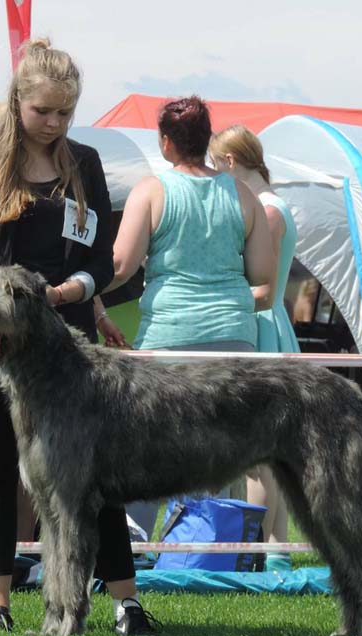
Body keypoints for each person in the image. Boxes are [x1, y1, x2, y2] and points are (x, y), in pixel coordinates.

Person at [0, 39, 156, 636]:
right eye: (42, 112)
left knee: (94, 472)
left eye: (64, 113)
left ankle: (125, 604)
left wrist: (71, 292)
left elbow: (102, 259)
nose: (53, 124)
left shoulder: (84, 161)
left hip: (66, 344)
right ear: (18, 100)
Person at [107, 96, 273, 536]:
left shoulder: (151, 191)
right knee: (217, 446)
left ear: (165, 143)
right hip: (234, 336)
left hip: (169, 334)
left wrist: (80, 287)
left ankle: (132, 542)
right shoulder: (242, 194)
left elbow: (121, 265)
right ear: (206, 140)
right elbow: (263, 274)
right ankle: (207, 542)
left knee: (143, 443)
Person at [209, 124, 300, 572]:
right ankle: (275, 546)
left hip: (262, 326)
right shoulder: (274, 205)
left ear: (229, 163)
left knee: (258, 454)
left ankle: (259, 548)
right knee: (273, 454)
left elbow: (259, 282)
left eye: (215, 166)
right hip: (272, 326)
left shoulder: (266, 211)